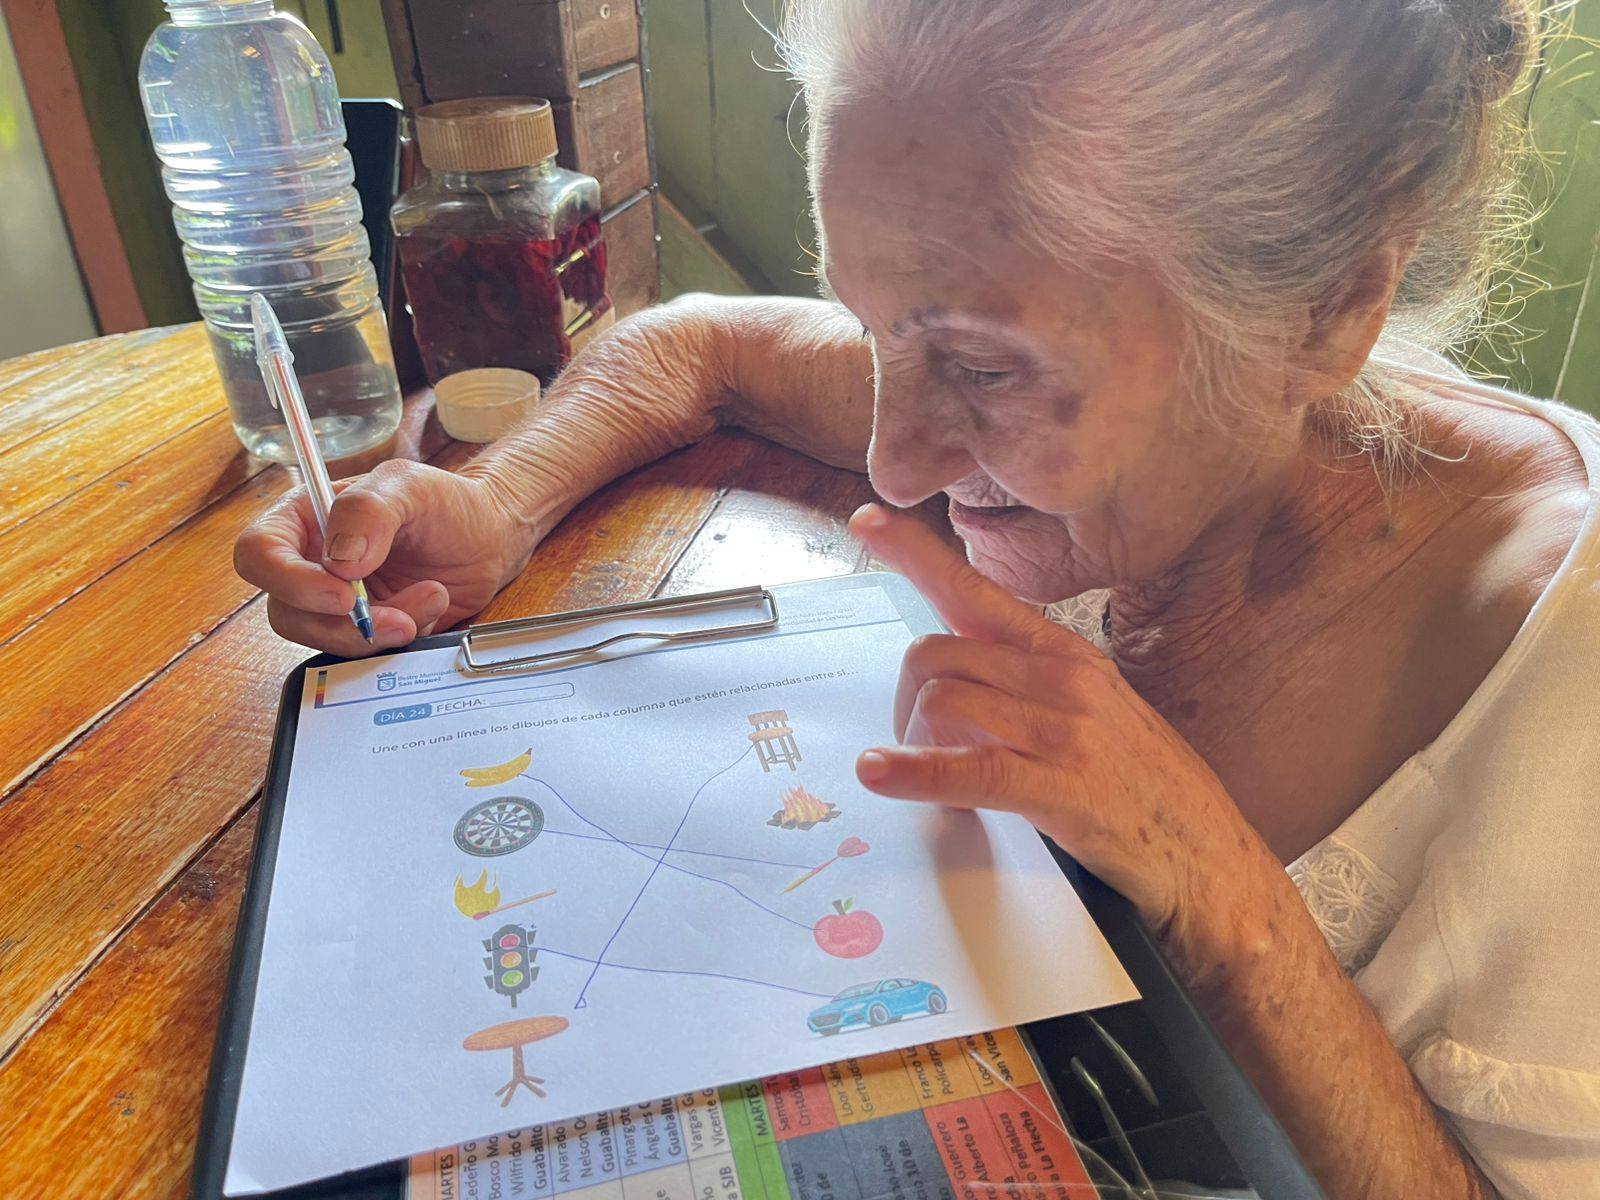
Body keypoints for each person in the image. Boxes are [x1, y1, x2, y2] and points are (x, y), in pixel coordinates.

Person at [235, 2, 1600, 1195]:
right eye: (874, 325)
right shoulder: (1112, 354)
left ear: (1330, 309)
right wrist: (497, 501)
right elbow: (702, 345)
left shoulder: (1561, 685)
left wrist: (1215, 888)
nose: (896, 462)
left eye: (987, 373)